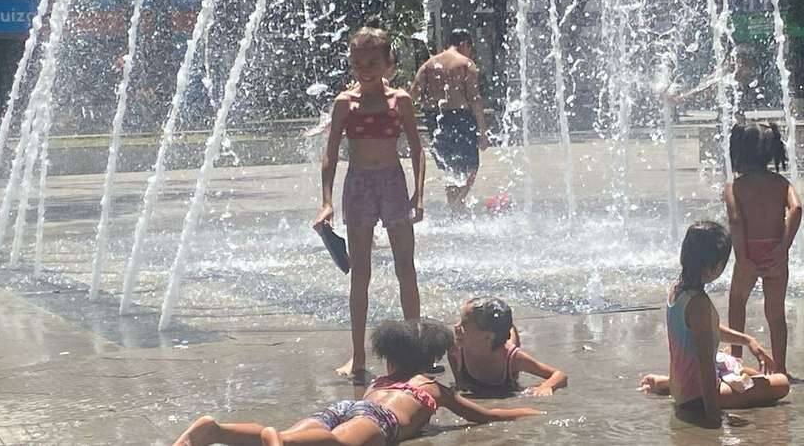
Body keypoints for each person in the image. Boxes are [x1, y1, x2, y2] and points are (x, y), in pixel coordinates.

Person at [172, 319, 543, 446]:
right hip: (380, 419)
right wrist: (527, 411)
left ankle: (215, 430)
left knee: (307, 436)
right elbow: (482, 417)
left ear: (390, 357)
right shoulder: (432, 389)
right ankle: (275, 438)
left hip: (348, 407)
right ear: (431, 359)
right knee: (334, 444)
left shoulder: (381, 379)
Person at [313, 26, 426, 381]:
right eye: (358, 62)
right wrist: (326, 202)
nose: (365, 69)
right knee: (359, 274)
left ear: (388, 62)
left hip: (392, 182)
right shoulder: (345, 103)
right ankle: (358, 355)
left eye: (373, 61)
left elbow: (419, 151)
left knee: (405, 268)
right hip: (359, 184)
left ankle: (415, 351)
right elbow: (330, 154)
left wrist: (418, 195)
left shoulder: (401, 100)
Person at [639, 221, 790, 424]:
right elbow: (705, 362)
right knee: (781, 383)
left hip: (682, 387)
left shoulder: (678, 289)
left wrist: (749, 340)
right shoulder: (699, 303)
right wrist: (714, 413)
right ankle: (677, 387)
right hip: (698, 397)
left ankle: (669, 383)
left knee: (749, 372)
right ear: (715, 266)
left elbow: (706, 330)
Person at [725, 123, 802, 374]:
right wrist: (784, 247)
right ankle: (780, 368)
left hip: (748, 251)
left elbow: (736, 221)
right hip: (774, 252)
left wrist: (742, 258)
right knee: (776, 314)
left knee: (737, 304)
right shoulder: (780, 183)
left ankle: (735, 362)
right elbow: (797, 209)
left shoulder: (734, 187)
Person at [409, 29, 490, 214]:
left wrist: (425, 102)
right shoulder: (465, 64)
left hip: (435, 118)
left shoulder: (429, 64)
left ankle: (455, 206)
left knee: (449, 167)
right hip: (461, 118)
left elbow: (413, 93)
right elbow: (474, 99)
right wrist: (483, 131)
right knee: (471, 165)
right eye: (470, 48)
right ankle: (457, 202)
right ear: (465, 44)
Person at [449, 297, 568, 397]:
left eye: (464, 324)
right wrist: (459, 380)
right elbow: (451, 356)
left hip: (501, 340)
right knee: (500, 329)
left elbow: (559, 375)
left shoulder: (513, 359)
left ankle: (510, 327)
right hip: (495, 334)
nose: (456, 326)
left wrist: (546, 386)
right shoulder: (456, 348)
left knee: (510, 339)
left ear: (487, 337)